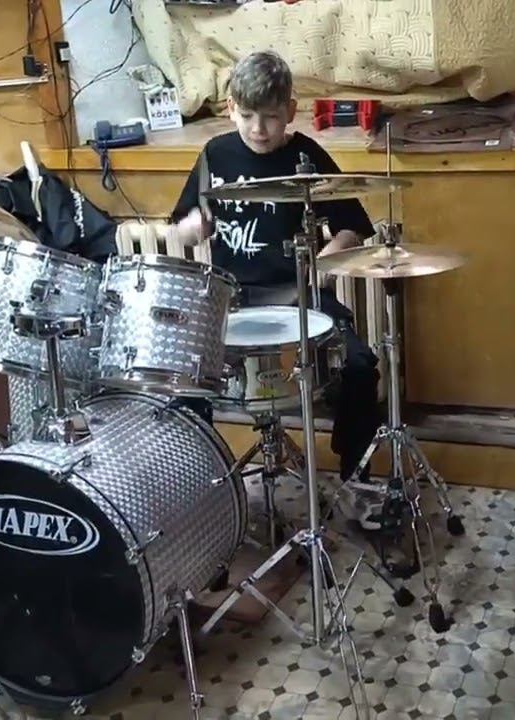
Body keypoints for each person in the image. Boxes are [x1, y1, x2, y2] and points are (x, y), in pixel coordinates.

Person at [170, 50, 384, 529]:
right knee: (184, 372)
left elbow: (352, 226)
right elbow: (183, 225)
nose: (259, 128)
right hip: (231, 299)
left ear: (290, 110)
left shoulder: (306, 158)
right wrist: (192, 227)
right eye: (247, 116)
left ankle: (356, 481)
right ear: (231, 108)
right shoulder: (215, 155)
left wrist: (331, 256)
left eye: (269, 116)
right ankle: (202, 487)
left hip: (298, 295)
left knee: (359, 365)